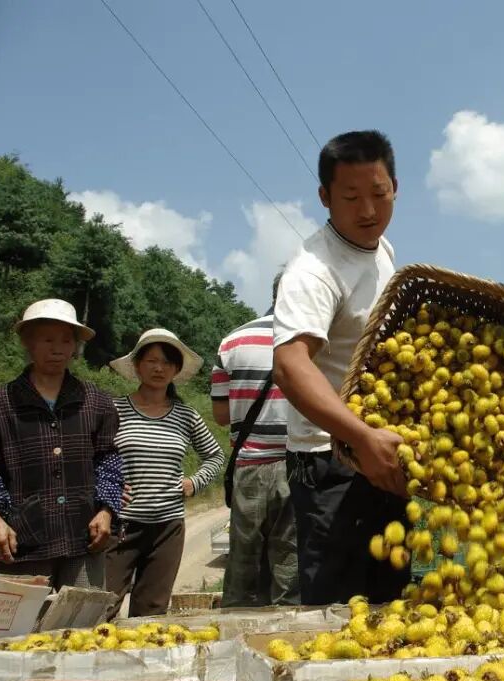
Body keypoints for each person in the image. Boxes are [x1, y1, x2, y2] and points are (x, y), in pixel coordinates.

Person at [273, 130, 409, 605]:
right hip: (330, 463)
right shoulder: (313, 271)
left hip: (378, 454)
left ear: (396, 187)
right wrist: (358, 435)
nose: (368, 211)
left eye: (379, 194)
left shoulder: (382, 249)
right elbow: (290, 366)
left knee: (388, 601)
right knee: (336, 610)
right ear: (325, 197)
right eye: (351, 197)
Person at [0, 299, 122, 590]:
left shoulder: (97, 401)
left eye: (66, 340)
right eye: (47, 339)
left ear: (75, 346)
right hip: (24, 541)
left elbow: (108, 461)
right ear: (28, 342)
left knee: (83, 628)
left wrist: (106, 510)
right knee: (25, 632)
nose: (57, 348)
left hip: (83, 540)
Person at [106, 329, 225, 616]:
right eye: (151, 361)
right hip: (120, 525)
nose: (159, 368)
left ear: (175, 370)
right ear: (137, 365)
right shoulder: (114, 410)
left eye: (167, 363)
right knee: (103, 605)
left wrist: (194, 483)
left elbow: (215, 455)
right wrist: (108, 488)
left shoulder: (186, 415)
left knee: (152, 611)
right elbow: (92, 457)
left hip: (167, 528)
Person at [211, 274, 300, 607]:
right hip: (295, 465)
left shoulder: (233, 341)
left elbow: (222, 415)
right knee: (289, 565)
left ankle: (234, 634)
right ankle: (287, 636)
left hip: (248, 466)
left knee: (243, 563)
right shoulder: (312, 342)